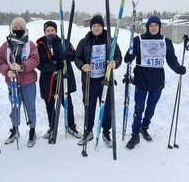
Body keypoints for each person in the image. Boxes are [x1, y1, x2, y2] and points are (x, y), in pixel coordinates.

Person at [124, 16, 186, 150]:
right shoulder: (138, 40)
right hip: (141, 78)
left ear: (159, 27)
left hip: (157, 80)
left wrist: (177, 68)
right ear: (147, 27)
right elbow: (130, 54)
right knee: (138, 108)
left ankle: (144, 127)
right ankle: (135, 134)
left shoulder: (166, 42)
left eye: (155, 25)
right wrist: (128, 57)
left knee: (151, 107)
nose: (153, 28)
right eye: (151, 25)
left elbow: (171, 59)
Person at [74, 15, 122, 147]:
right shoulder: (84, 42)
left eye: (99, 26)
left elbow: (118, 55)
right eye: (94, 26)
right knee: (89, 107)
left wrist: (115, 63)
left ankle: (106, 133)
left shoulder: (110, 41)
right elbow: (77, 57)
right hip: (89, 80)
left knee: (106, 109)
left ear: (102, 27)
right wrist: (82, 66)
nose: (96, 28)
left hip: (105, 80)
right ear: (91, 27)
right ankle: (88, 131)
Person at [0, 17, 39, 147]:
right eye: (16, 28)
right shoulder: (6, 45)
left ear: (25, 29)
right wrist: (6, 71)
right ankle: (15, 129)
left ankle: (32, 130)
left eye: (21, 28)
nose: (18, 30)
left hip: (28, 81)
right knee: (15, 107)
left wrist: (22, 66)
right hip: (13, 82)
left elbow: (35, 59)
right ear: (12, 29)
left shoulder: (30, 44)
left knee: (30, 107)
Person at [36, 21, 82, 139]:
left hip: (63, 78)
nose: (50, 32)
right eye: (47, 31)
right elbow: (39, 65)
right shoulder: (40, 45)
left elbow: (74, 55)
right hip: (48, 80)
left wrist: (64, 54)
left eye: (52, 30)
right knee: (50, 104)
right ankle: (52, 127)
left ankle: (71, 126)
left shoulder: (64, 42)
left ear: (56, 31)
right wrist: (54, 67)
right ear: (44, 32)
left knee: (67, 103)